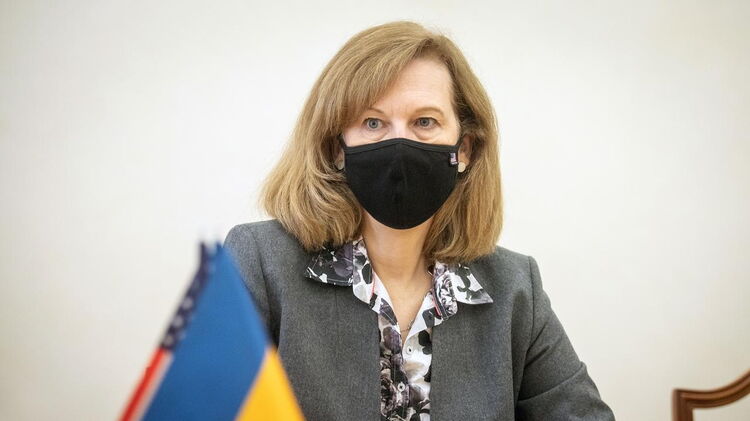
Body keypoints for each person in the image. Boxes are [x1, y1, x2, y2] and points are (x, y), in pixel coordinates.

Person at [224, 20, 615, 421]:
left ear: (464, 149)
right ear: (337, 148)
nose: (399, 145)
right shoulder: (260, 263)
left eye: (425, 122)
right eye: (372, 123)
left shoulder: (515, 289)